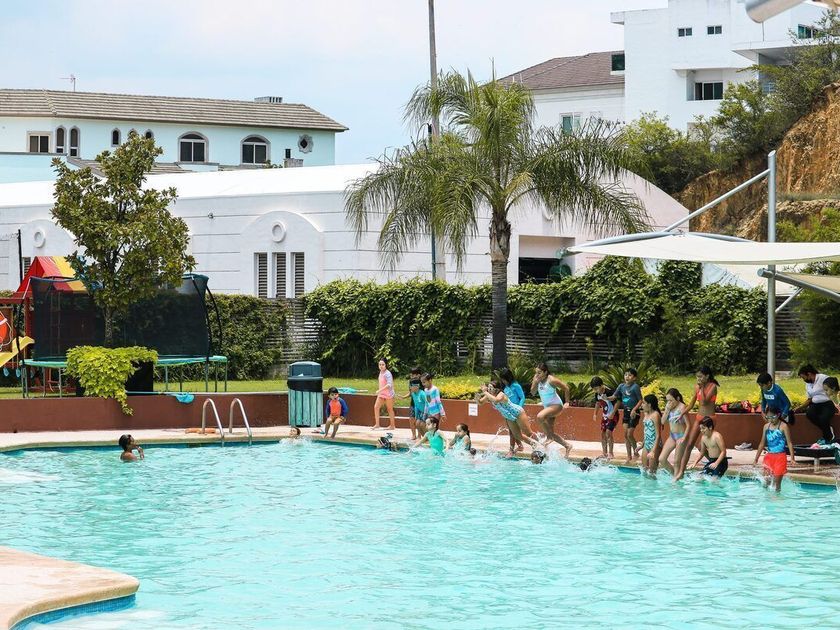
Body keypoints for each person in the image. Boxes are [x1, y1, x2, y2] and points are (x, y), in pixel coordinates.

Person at [674, 367, 719, 481]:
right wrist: (681, 414)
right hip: (699, 418)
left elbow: (704, 402)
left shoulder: (713, 387)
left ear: (707, 376)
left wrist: (702, 387)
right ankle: (681, 472)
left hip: (709, 419)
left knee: (701, 446)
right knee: (689, 445)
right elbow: (691, 404)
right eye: (697, 377)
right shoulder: (697, 387)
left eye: (700, 376)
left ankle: (716, 464)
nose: (698, 379)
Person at [477, 380, 540, 457]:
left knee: (528, 433)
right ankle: (533, 444)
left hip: (517, 413)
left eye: (491, 387)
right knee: (517, 435)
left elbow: (496, 400)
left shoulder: (501, 394)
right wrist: (477, 398)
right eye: (488, 388)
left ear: (497, 389)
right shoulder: (489, 396)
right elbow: (480, 403)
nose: (489, 389)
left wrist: (485, 392)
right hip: (509, 417)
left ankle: (542, 443)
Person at [530, 363, 573, 455]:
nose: (537, 375)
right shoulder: (536, 379)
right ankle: (567, 445)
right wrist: (536, 382)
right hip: (547, 407)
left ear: (545, 372)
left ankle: (549, 438)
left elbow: (566, 388)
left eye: (539, 372)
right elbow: (533, 392)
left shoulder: (551, 380)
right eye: (536, 372)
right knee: (550, 432)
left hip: (556, 405)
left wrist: (567, 402)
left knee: (540, 416)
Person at [753, 407, 796, 492]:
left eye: (773, 417)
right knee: (766, 482)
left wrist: (792, 458)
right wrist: (756, 459)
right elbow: (762, 443)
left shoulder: (783, 426)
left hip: (780, 458)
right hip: (769, 457)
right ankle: (766, 498)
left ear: (778, 415)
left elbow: (789, 443)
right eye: (768, 417)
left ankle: (777, 499)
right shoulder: (766, 427)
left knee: (776, 484)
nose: (771, 420)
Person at [794, 365, 835, 444]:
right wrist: (800, 407)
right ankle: (828, 430)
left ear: (809, 374)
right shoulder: (808, 384)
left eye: (803, 377)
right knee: (810, 414)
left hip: (827, 403)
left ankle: (827, 436)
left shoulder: (823, 378)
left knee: (823, 418)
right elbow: (809, 399)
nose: (803, 380)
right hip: (815, 404)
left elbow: (834, 388)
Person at [659, 388, 690, 477]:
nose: (669, 402)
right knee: (661, 459)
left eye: (671, 400)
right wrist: (667, 410)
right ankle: (676, 476)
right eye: (667, 400)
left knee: (677, 462)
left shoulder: (682, 407)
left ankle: (676, 481)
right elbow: (662, 421)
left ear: (678, 398)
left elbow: (689, 425)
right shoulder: (669, 407)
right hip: (672, 436)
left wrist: (684, 437)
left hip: (681, 436)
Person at [614, 368, 643, 463]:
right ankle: (629, 456)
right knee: (626, 435)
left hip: (634, 412)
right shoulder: (621, 386)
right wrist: (605, 397)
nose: (627, 377)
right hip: (626, 412)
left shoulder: (635, 387)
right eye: (626, 374)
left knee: (630, 434)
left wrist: (634, 409)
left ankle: (636, 453)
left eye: (630, 375)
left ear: (634, 378)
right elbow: (614, 397)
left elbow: (640, 400)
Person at [499, 367, 527, 456]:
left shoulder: (516, 386)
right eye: (502, 380)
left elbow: (522, 397)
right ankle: (519, 446)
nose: (503, 381)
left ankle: (511, 450)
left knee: (513, 431)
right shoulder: (505, 387)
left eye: (504, 379)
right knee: (512, 431)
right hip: (508, 412)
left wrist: (519, 408)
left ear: (509, 377)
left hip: (516, 412)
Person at [590, 376, 617, 460]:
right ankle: (604, 453)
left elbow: (617, 402)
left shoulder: (609, 391)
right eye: (594, 389)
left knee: (609, 433)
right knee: (603, 434)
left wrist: (613, 413)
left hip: (613, 415)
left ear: (602, 385)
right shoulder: (597, 394)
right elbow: (598, 403)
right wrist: (595, 414)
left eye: (596, 388)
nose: (595, 390)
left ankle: (611, 453)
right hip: (604, 416)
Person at [639, 394, 661, 475]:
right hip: (647, 444)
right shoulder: (646, 414)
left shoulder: (656, 415)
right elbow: (646, 431)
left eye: (644, 403)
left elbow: (658, 435)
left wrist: (653, 451)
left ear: (649, 404)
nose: (642, 405)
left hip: (655, 445)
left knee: (652, 472)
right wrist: (642, 445)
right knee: (644, 470)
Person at [372, 358, 396, 431]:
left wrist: (379, 390)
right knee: (376, 407)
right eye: (380, 364)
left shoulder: (388, 373)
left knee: (389, 409)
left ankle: (392, 425)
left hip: (389, 394)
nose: (381, 366)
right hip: (381, 394)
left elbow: (389, 385)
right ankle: (377, 424)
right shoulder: (381, 372)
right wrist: (380, 391)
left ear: (386, 365)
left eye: (383, 364)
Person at [400, 366, 423, 439]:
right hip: (413, 403)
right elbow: (411, 393)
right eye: (411, 375)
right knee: (411, 419)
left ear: (419, 375)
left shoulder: (422, 382)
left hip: (420, 405)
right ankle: (413, 435)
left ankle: (419, 435)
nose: (412, 376)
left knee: (419, 420)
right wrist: (403, 397)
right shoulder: (411, 381)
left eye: (413, 375)